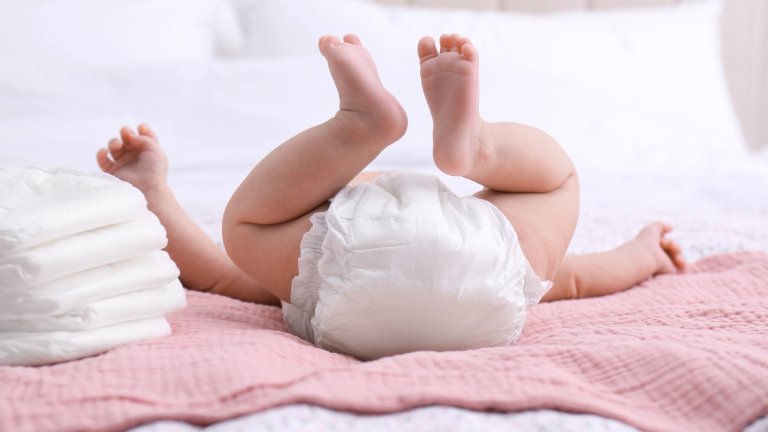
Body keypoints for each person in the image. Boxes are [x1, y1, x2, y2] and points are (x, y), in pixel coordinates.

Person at [96, 34, 687, 358]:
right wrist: (645, 252)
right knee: (557, 181)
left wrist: (154, 195)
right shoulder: (506, 250)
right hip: (487, 293)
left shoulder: (298, 269)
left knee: (243, 231)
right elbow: (584, 278)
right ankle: (477, 147)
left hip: (343, 278)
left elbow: (211, 273)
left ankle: (357, 129)